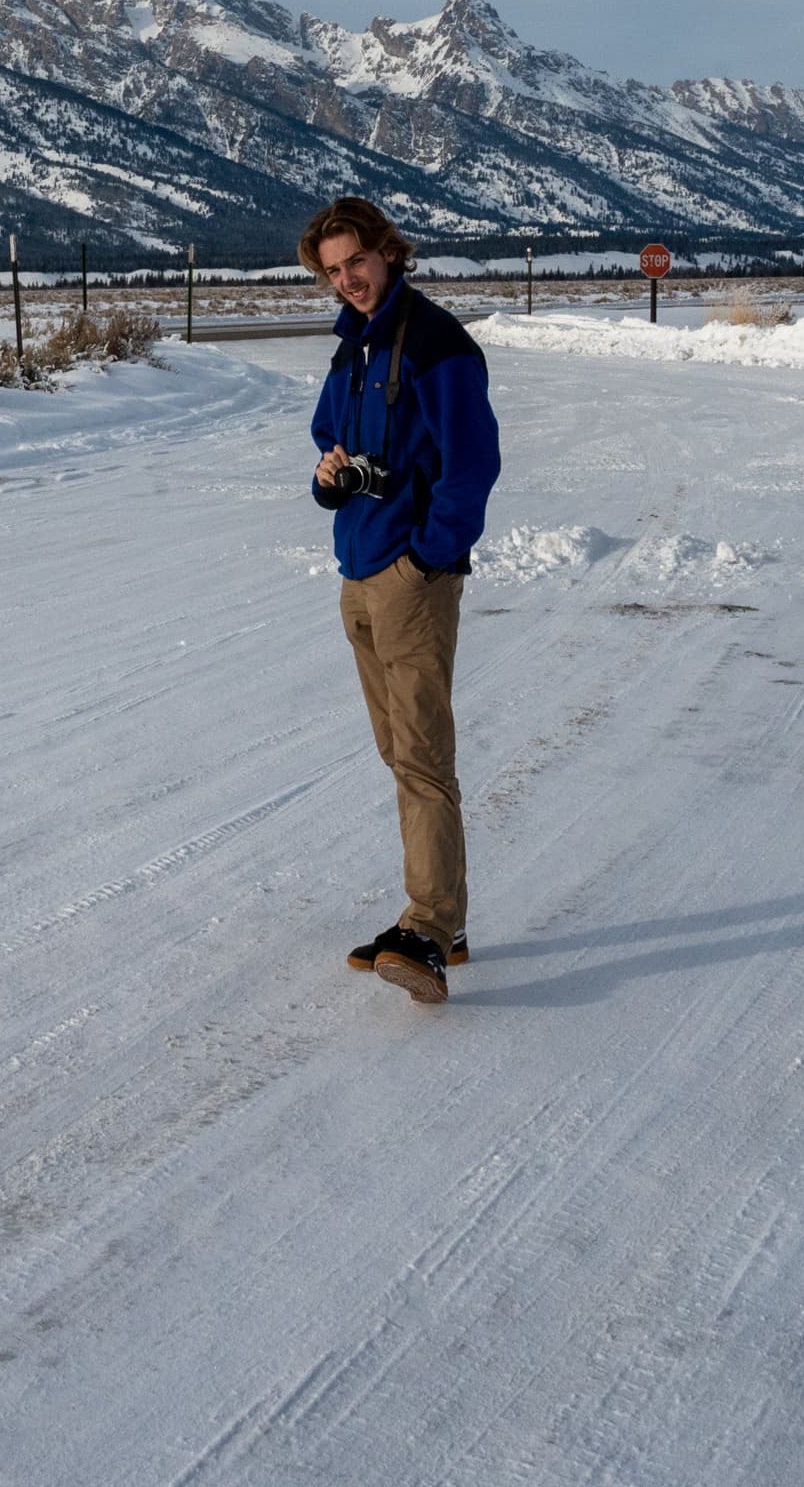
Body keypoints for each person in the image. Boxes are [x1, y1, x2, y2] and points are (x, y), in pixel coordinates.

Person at [303, 196, 501, 1004]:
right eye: (333, 270)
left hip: (410, 578)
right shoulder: (353, 347)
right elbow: (329, 438)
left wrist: (427, 559)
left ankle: (426, 925)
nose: (347, 279)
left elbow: (472, 467)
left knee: (421, 757)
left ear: (388, 251)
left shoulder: (436, 344)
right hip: (358, 569)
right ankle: (444, 923)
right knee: (401, 753)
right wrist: (329, 475)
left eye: (356, 261)